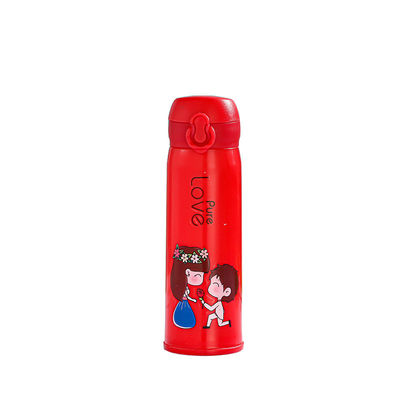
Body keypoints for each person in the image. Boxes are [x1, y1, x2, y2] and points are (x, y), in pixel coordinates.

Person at [170, 245, 210, 329]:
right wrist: (193, 300)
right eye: (198, 275)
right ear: (187, 272)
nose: (202, 279)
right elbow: (187, 296)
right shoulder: (182, 289)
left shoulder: (183, 288)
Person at [200, 264, 238, 328]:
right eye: (211, 283)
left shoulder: (218, 303)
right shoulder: (219, 302)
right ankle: (208, 326)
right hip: (217, 313)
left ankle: (228, 322)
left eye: (215, 284)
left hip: (219, 315)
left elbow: (211, 308)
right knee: (210, 317)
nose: (210, 287)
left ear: (227, 292)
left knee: (220, 324)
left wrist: (204, 303)